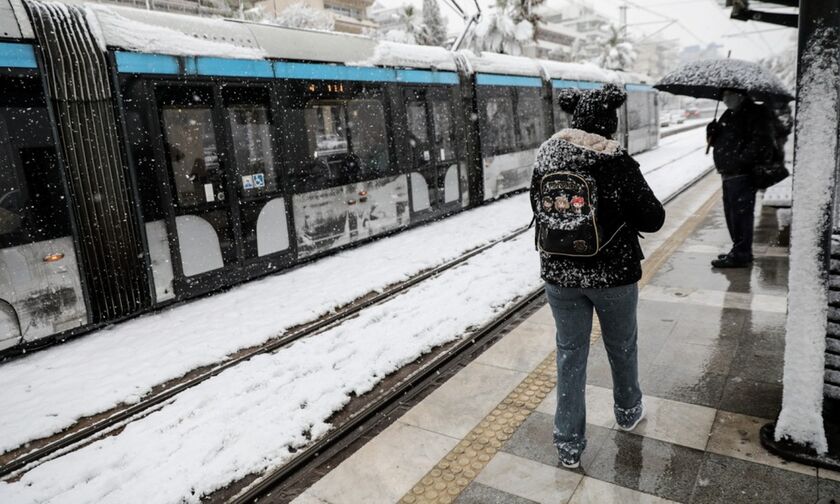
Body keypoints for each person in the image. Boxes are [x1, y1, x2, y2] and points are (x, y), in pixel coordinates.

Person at [530, 83, 665, 469]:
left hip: (560, 275)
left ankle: (568, 444)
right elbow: (653, 219)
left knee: (569, 354)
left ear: (574, 120)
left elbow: (541, 212)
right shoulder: (616, 162)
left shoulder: (547, 156)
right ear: (610, 124)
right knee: (621, 346)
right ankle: (627, 411)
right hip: (613, 277)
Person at [706, 89, 777, 268]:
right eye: (723, 96)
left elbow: (762, 142)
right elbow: (720, 141)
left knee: (741, 216)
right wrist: (712, 132)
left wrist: (740, 161)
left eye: (728, 95)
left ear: (740, 95)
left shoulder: (755, 113)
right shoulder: (729, 114)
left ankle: (741, 254)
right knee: (731, 215)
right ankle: (739, 250)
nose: (724, 99)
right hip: (728, 174)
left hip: (742, 174)